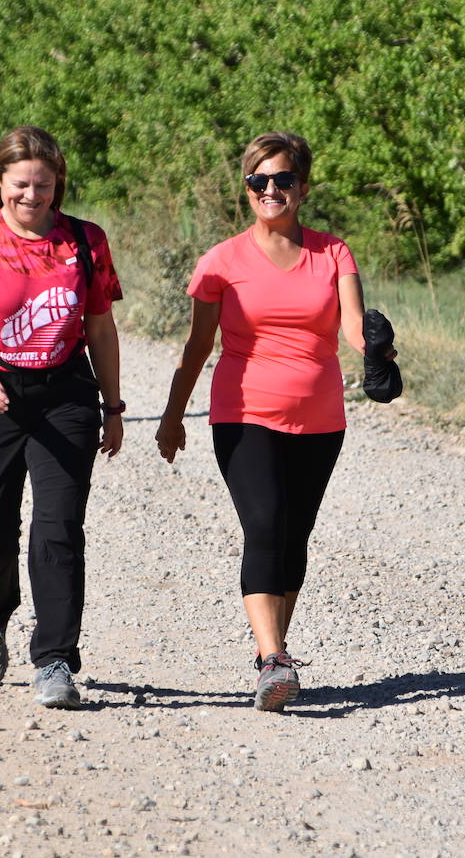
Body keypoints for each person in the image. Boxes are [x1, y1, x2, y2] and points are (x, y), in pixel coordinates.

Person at [156, 131, 397, 711]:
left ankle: (277, 652)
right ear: (246, 189)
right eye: (259, 181)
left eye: (283, 179)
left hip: (320, 417)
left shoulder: (333, 253)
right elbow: (197, 346)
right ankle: (271, 660)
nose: (271, 189)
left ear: (302, 188)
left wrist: (377, 351)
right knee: (264, 524)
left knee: (293, 536)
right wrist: (172, 416)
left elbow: (351, 324)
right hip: (244, 412)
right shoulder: (221, 262)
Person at [0, 126, 124, 709]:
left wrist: (112, 409)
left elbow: (100, 330)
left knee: (59, 529)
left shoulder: (85, 241)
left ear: (57, 184)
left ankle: (56, 659)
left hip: (64, 394)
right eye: (21, 184)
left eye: (43, 185)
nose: (32, 196)